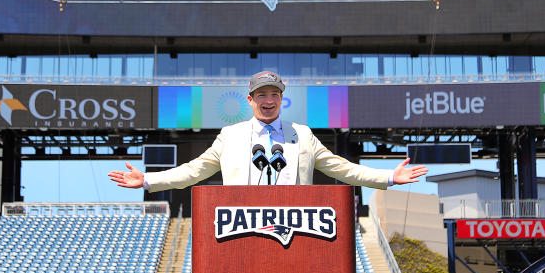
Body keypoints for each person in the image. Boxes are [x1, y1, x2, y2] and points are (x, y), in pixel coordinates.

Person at [108, 70, 428, 191]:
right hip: (241, 227)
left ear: (281, 99)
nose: (268, 100)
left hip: (297, 227)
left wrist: (387, 177)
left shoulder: (302, 134)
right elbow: (194, 171)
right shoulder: (230, 137)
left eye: (274, 94)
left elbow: (341, 169)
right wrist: (148, 179)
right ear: (250, 99)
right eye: (262, 94)